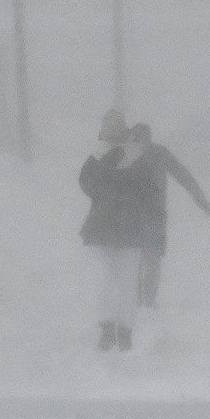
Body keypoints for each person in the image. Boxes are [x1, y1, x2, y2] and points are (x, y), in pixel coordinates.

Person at [79, 109, 154, 351]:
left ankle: (123, 332)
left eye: (112, 125)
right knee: (104, 281)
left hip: (125, 230)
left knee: (125, 283)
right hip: (106, 229)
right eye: (106, 124)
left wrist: (113, 163)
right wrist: (111, 161)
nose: (108, 129)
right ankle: (108, 329)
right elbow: (89, 185)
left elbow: (143, 190)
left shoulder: (135, 156)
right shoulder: (98, 156)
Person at [129, 123, 210, 309]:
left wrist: (202, 201)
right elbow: (183, 176)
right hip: (140, 217)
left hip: (148, 217)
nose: (138, 143)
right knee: (141, 261)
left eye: (138, 138)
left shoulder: (152, 155)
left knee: (147, 260)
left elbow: (183, 176)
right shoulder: (138, 156)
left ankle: (146, 302)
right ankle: (140, 302)